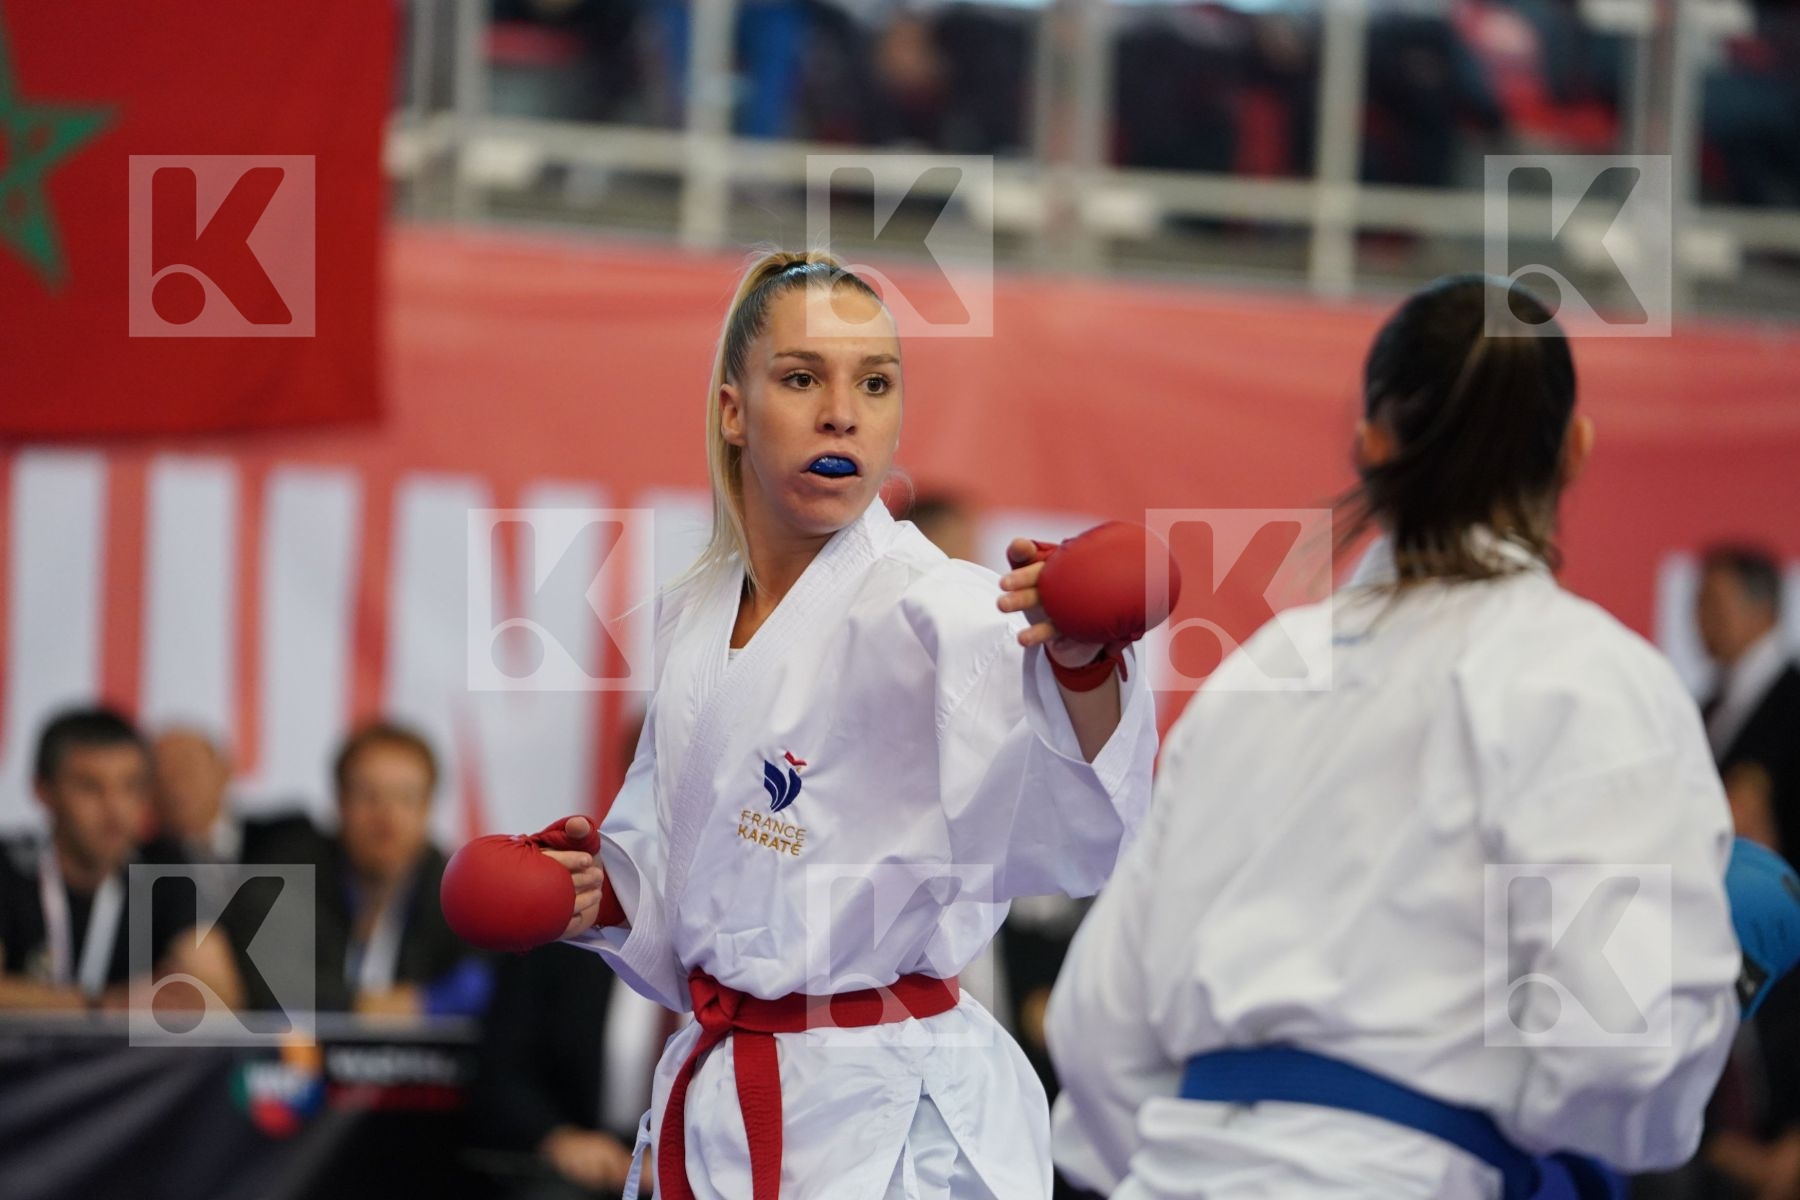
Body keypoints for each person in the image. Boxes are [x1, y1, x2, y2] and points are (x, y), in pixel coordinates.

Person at [441, 249, 1164, 1199]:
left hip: (889, 1125)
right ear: (734, 411)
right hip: (722, 1103)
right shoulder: (699, 616)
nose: (842, 411)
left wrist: (1082, 666)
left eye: (874, 382)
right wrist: (600, 896)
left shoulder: (940, 606)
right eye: (801, 378)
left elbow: (1079, 842)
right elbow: (700, 895)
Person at [1047, 274, 1741, 1199]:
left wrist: (1220, 1149)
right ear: (1574, 452)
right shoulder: (1588, 681)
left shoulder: (1259, 674)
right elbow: (1614, 1049)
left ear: (1371, 443)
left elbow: (1099, 1029)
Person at [0, 707, 238, 1011]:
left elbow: (221, 992)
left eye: (130, 787)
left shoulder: (164, 866)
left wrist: (186, 994)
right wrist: (99, 1005)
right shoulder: (8, 868)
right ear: (43, 790)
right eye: (90, 787)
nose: (114, 809)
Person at [314, 722, 492, 1017]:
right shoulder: (299, 872)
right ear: (340, 802)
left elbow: (482, 980)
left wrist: (424, 1004)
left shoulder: (458, 891)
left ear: (427, 808)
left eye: (406, 797)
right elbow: (274, 980)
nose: (387, 816)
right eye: (368, 795)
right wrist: (363, 1009)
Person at [1695, 546, 1800, 859]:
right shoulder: (1710, 704)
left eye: (1712, 602)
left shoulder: (1793, 700)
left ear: (1762, 608)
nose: (1700, 618)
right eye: (1698, 603)